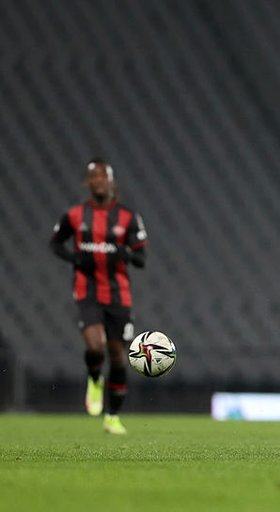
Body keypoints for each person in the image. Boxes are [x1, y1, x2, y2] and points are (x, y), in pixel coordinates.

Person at [50, 159, 148, 434]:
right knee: (95, 346)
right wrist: (74, 258)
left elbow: (141, 258)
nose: (99, 181)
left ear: (111, 181)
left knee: (117, 355)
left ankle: (113, 416)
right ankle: (95, 379)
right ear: (88, 183)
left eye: (103, 176)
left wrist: (125, 253)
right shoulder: (75, 215)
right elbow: (55, 243)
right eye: (93, 176)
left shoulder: (128, 217)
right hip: (87, 290)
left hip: (118, 294)